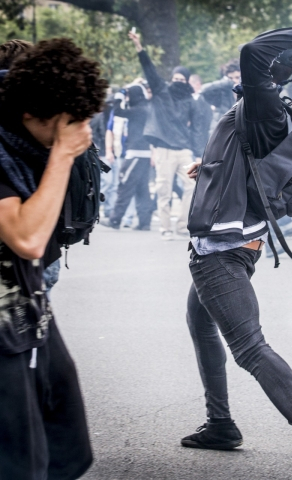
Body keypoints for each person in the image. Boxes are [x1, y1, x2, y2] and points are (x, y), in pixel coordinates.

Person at [184, 27, 292, 480]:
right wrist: (213, 170)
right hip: (237, 240)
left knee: (250, 347)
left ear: (269, 72)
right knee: (199, 320)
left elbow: (252, 50)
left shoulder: (264, 107)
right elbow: (254, 161)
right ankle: (220, 423)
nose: (247, 70)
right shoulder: (271, 111)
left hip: (223, 250)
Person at [0, 38, 107, 479]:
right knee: (20, 461)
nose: (74, 135)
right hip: (6, 318)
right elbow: (26, 236)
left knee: (67, 441)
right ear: (31, 116)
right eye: (63, 125)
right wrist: (62, 154)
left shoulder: (24, 144)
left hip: (27, 307)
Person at [129, 31, 205, 240]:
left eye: (182, 79)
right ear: (171, 79)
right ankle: (165, 228)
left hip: (184, 151)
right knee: (164, 191)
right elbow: (149, 69)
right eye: (176, 78)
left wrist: (198, 155)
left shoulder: (191, 101)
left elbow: (197, 129)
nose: (178, 81)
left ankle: (182, 225)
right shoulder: (162, 90)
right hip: (163, 150)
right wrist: (139, 46)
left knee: (192, 187)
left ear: (187, 81)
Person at [100, 85, 154, 230]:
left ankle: (115, 220)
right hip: (144, 154)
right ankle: (144, 222)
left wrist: (119, 95)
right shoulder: (146, 108)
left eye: (129, 96)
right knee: (142, 189)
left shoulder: (138, 110)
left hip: (135, 153)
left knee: (124, 185)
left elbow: (117, 111)